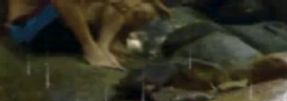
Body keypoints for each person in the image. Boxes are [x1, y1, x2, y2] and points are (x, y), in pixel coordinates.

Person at [4, 0, 168, 69]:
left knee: (143, 9)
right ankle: (90, 48)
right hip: (31, 31)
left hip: (61, 26)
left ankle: (104, 46)